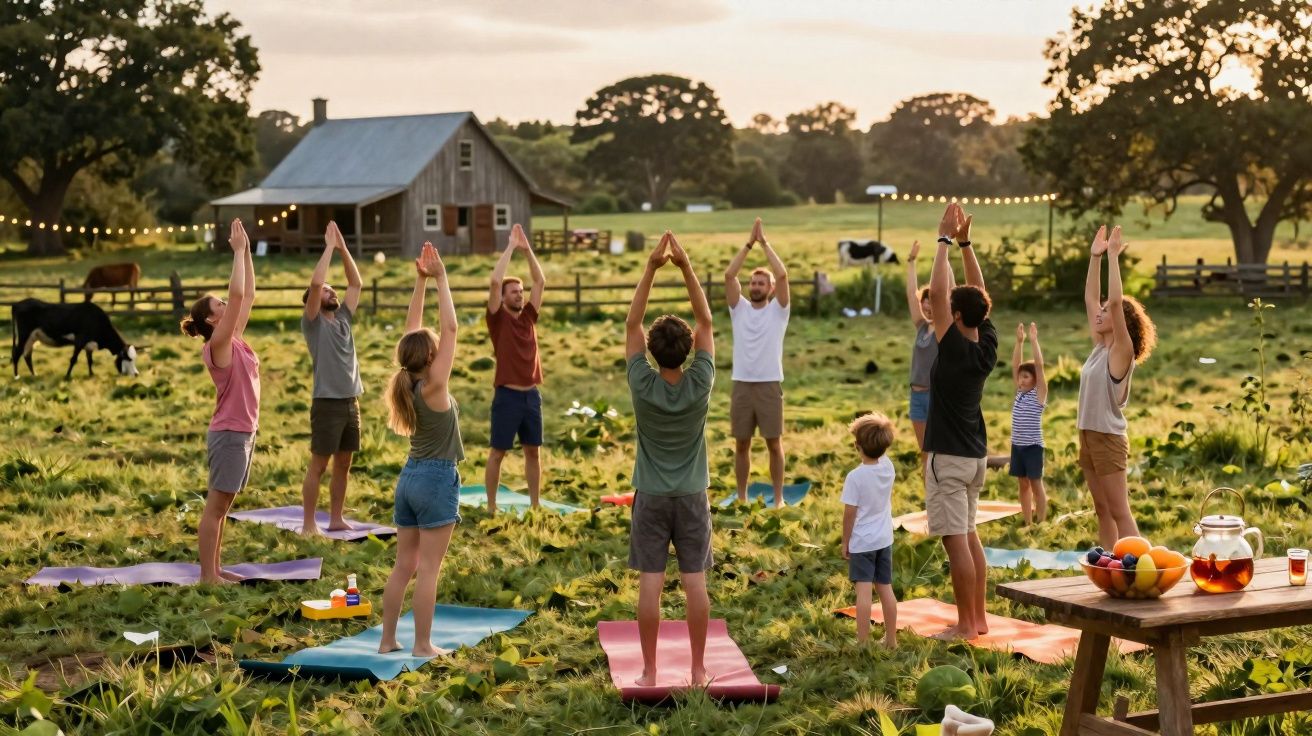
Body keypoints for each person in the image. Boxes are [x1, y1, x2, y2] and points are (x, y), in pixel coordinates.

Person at [624, 231, 715, 687]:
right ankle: (698, 669)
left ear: (653, 352)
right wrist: (684, 267)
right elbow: (706, 320)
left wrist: (651, 269)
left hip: (652, 497)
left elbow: (631, 326)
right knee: (695, 581)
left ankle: (649, 669)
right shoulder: (700, 382)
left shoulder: (643, 384)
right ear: (688, 350)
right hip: (693, 495)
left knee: (651, 584)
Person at [379, 242, 463, 657]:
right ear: (430, 357)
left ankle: (387, 640)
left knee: (403, 566)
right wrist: (441, 279)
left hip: (409, 477)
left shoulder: (408, 382)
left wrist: (419, 282)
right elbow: (451, 330)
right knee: (428, 569)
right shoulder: (434, 386)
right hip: (435, 479)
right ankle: (422, 645)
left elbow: (414, 332)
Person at [923, 202, 995, 640]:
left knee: (957, 544)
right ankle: (979, 617)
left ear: (957, 316)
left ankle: (967, 624)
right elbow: (978, 293)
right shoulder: (985, 343)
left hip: (949, 460)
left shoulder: (952, 348)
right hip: (975, 457)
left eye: (951, 307)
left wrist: (943, 241)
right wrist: (966, 244)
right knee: (970, 537)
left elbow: (935, 294)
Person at [180, 219, 258, 585]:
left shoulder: (235, 338)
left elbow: (249, 295)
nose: (228, 304)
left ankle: (215, 568)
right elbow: (239, 296)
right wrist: (239, 252)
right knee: (215, 508)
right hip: (229, 434)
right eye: (220, 304)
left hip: (242, 432)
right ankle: (207, 577)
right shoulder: (218, 345)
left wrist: (248, 253)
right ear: (212, 319)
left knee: (224, 507)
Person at [1079, 225, 1157, 548]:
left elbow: (1112, 302)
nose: (1099, 311)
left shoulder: (1120, 352)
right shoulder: (1100, 347)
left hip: (1108, 439)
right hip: (1087, 433)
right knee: (1102, 510)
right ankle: (1111, 568)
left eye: (1107, 311)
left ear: (1120, 320)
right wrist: (1094, 257)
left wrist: (1113, 257)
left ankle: (1142, 568)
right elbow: (1090, 297)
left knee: (1119, 511)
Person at [299, 221, 364, 535]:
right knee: (319, 465)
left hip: (351, 402)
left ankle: (336, 518)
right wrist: (327, 247)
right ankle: (309, 524)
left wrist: (342, 248)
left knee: (344, 464)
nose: (331, 289)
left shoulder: (343, 319)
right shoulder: (313, 323)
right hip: (326, 403)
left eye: (331, 288)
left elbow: (356, 284)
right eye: (327, 290)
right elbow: (314, 284)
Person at [723, 217, 790, 506]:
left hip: (769, 384)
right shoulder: (739, 309)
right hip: (741, 384)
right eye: (753, 282)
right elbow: (728, 276)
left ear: (770, 288)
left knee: (774, 444)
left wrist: (765, 243)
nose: (756, 285)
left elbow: (784, 275)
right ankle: (741, 497)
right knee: (741, 444)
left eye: (762, 282)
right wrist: (748, 244)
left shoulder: (778, 311)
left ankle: (777, 498)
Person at [485, 224, 546, 516]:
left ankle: (535, 504)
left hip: (531, 396)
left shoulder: (529, 318)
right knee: (498, 453)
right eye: (514, 292)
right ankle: (492, 506)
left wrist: (527, 249)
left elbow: (540, 281)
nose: (519, 295)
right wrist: (510, 247)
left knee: (533, 452)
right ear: (504, 297)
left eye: (521, 292)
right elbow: (495, 281)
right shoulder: (498, 319)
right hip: (507, 396)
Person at [841, 412, 899, 649]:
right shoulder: (888, 467)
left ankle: (863, 642)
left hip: (863, 542)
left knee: (863, 593)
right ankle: (892, 640)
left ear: (857, 446)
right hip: (884, 539)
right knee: (885, 589)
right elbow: (880, 453)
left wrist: (845, 541)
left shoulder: (855, 477)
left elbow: (849, 514)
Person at [1010, 322, 1048, 525]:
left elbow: (1040, 368)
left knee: (1035, 485)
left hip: (1033, 447)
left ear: (1035, 380)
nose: (1021, 380)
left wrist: (1034, 342)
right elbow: (1015, 366)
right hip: (1017, 446)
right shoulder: (1019, 393)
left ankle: (1041, 523)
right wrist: (1019, 342)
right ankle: (1028, 522)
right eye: (1020, 377)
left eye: (1026, 377)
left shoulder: (1038, 395)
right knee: (1022, 485)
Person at [904, 239, 936, 461]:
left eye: (932, 303)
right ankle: (930, 496)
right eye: (925, 302)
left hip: (936, 397)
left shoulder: (944, 332)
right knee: (924, 454)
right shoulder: (921, 327)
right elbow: (911, 294)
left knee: (937, 454)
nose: (926, 307)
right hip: (917, 396)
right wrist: (911, 261)